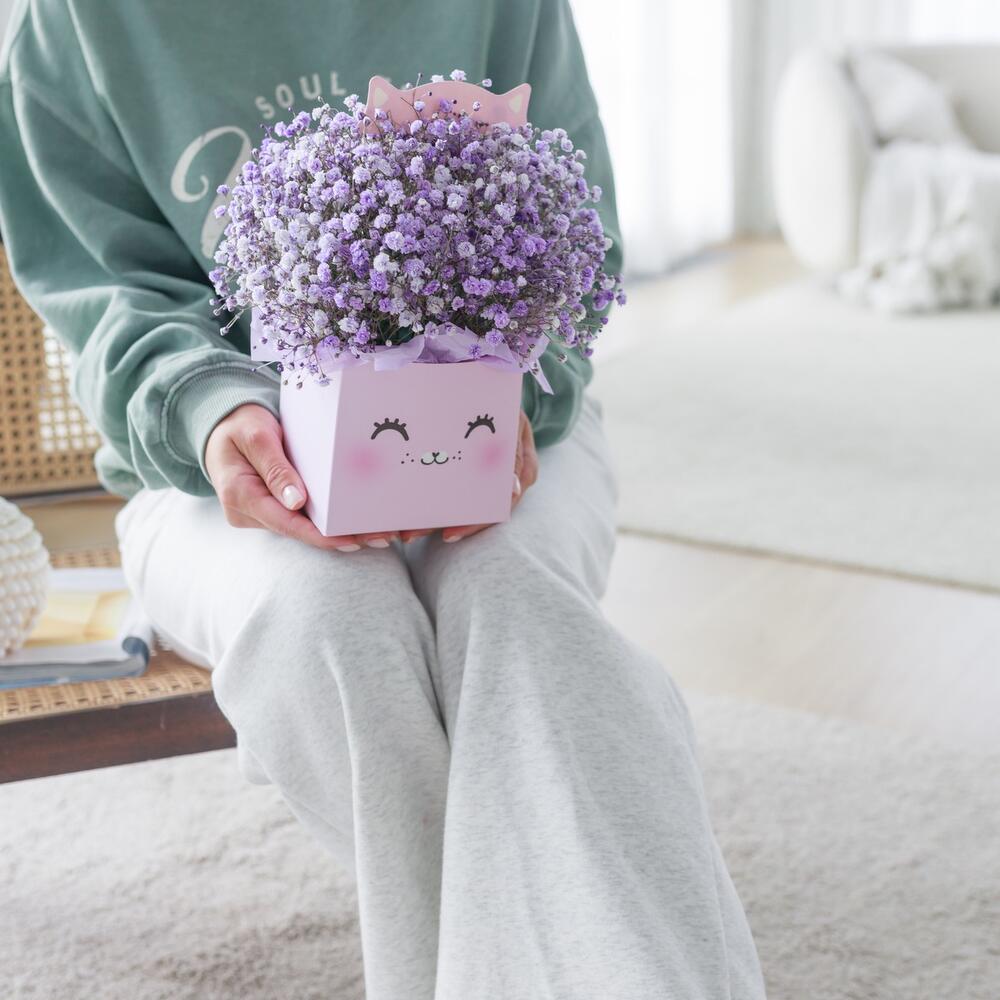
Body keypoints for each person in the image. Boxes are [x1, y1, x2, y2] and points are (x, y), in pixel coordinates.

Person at [0, 1, 767, 997]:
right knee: (325, 619)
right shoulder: (74, 23)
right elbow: (105, 292)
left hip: (511, 417)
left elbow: (581, 243)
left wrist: (502, 385)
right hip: (203, 468)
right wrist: (212, 409)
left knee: (514, 597)